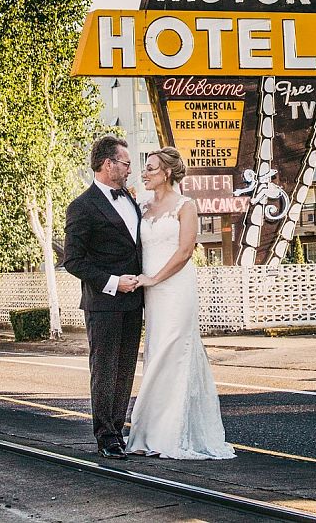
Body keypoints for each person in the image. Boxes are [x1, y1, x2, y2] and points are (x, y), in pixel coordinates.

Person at [126, 147, 235, 460]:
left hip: (174, 288)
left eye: (149, 169)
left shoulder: (187, 206)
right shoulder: (143, 205)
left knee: (173, 354)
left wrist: (154, 278)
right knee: (156, 353)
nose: (144, 174)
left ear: (167, 173)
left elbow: (186, 251)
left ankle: (170, 435)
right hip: (151, 292)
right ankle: (148, 432)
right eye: (144, 169)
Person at [64, 134, 143, 459]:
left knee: (125, 369)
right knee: (105, 368)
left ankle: (118, 429)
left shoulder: (130, 199)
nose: (129, 170)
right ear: (108, 164)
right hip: (104, 303)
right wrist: (113, 282)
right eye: (125, 164)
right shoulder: (82, 206)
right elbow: (73, 260)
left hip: (133, 302)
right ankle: (105, 436)